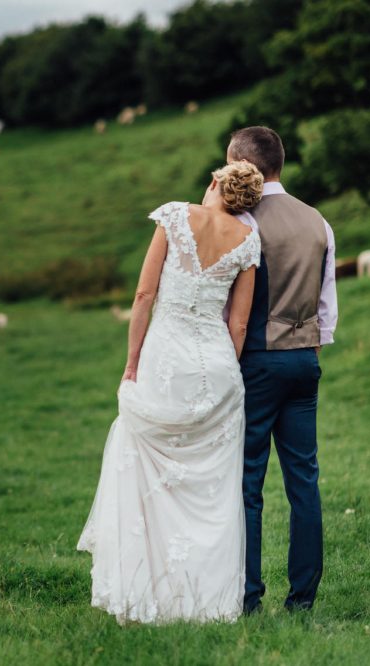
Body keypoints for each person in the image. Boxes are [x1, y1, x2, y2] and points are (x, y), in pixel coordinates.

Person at [77, 161, 264, 623]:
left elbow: (143, 297)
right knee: (211, 493)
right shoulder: (248, 240)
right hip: (217, 369)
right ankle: (210, 603)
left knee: (149, 479)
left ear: (217, 184)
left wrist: (131, 364)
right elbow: (237, 323)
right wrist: (225, 372)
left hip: (165, 362)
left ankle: (147, 592)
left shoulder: (176, 216)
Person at [226, 126, 337, 614]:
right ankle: (303, 600)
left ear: (242, 164)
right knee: (303, 481)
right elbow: (326, 304)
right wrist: (311, 347)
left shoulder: (244, 221)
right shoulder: (319, 222)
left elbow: (235, 304)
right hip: (305, 359)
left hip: (257, 360)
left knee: (247, 482)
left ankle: (248, 597)